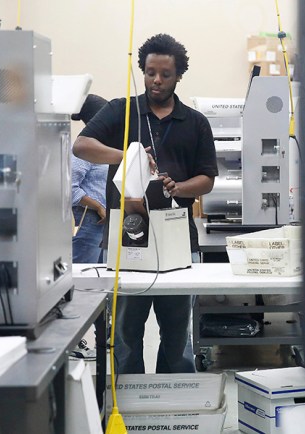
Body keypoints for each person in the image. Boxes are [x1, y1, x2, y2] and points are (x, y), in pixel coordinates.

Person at [73, 34, 218, 373]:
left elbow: (207, 179)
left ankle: (175, 411)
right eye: (150, 72)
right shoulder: (121, 111)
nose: (156, 80)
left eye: (165, 74)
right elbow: (82, 145)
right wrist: (127, 155)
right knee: (125, 336)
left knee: (178, 338)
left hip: (179, 243)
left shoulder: (195, 122)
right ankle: (128, 410)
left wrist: (178, 188)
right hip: (127, 241)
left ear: (178, 75)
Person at [71, 94, 109, 264]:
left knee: (97, 279)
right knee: (84, 279)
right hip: (90, 219)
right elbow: (68, 188)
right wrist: (98, 207)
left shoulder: (100, 148)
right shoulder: (83, 150)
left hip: (101, 221)